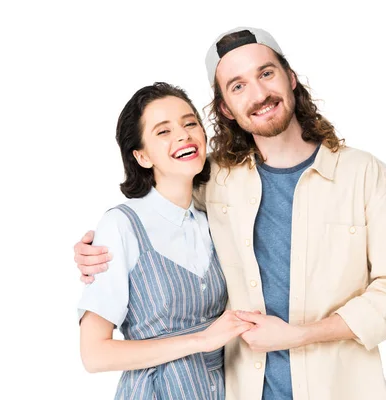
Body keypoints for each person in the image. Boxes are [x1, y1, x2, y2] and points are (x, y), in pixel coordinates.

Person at [75, 27, 386, 400]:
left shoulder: (367, 177)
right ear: (225, 107)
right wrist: (100, 245)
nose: (258, 94)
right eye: (237, 86)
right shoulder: (215, 181)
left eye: (266, 73)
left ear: (290, 78)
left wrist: (301, 334)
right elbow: (159, 204)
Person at [76, 82, 253, 400]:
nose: (184, 135)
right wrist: (201, 341)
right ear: (142, 156)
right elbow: (94, 354)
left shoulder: (212, 218)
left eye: (189, 123)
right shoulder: (121, 225)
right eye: (163, 131)